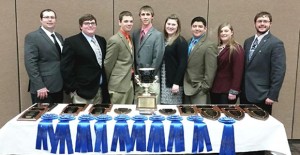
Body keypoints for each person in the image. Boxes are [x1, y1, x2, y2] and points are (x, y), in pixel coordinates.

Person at [241, 11, 286, 115]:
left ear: (270, 24)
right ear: (255, 24)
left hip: (263, 95)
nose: (262, 24)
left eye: (265, 21)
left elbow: (279, 71)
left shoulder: (275, 43)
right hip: (245, 93)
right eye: (259, 21)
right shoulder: (248, 41)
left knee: (261, 128)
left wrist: (272, 95)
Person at [60, 14, 109, 104]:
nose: (90, 25)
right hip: (81, 92)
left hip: (100, 90)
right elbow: (66, 68)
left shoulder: (101, 40)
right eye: (86, 23)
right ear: (81, 26)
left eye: (93, 23)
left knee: (98, 117)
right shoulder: (72, 42)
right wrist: (73, 89)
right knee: (82, 117)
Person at [24, 9, 63, 104]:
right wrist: (39, 86)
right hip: (43, 89)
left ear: (55, 20)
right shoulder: (33, 37)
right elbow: (30, 63)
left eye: (52, 17)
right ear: (41, 20)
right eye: (46, 17)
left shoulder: (59, 37)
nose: (50, 20)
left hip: (58, 85)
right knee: (43, 117)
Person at [132, 5, 164, 103]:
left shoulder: (158, 35)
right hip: (138, 79)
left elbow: (157, 57)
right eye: (143, 14)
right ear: (140, 16)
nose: (145, 17)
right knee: (138, 107)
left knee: (152, 107)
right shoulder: (135, 34)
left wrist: (147, 77)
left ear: (152, 17)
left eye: (148, 14)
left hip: (152, 79)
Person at [183, 16, 218, 104]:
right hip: (185, 87)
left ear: (205, 29)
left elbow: (211, 69)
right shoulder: (187, 42)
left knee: (199, 116)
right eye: (194, 26)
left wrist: (204, 88)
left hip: (199, 89)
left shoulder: (209, 45)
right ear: (191, 28)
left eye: (200, 26)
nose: (197, 29)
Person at [104, 11, 134, 104]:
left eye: (131, 21)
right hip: (118, 86)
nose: (129, 24)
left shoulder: (129, 37)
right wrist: (113, 81)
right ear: (119, 22)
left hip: (129, 83)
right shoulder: (115, 40)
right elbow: (108, 64)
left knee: (128, 113)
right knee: (118, 115)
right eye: (126, 21)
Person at [210, 23, 244, 104]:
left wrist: (234, 90)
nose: (223, 33)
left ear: (231, 32)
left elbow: (238, 71)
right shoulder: (216, 47)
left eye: (226, 31)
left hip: (227, 91)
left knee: (224, 115)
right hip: (215, 89)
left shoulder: (236, 48)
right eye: (221, 31)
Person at [160, 14, 188, 104]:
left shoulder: (180, 41)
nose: (170, 26)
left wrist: (176, 83)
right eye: (168, 24)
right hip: (163, 80)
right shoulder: (164, 39)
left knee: (172, 109)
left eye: (173, 24)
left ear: (178, 27)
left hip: (173, 83)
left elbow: (182, 64)